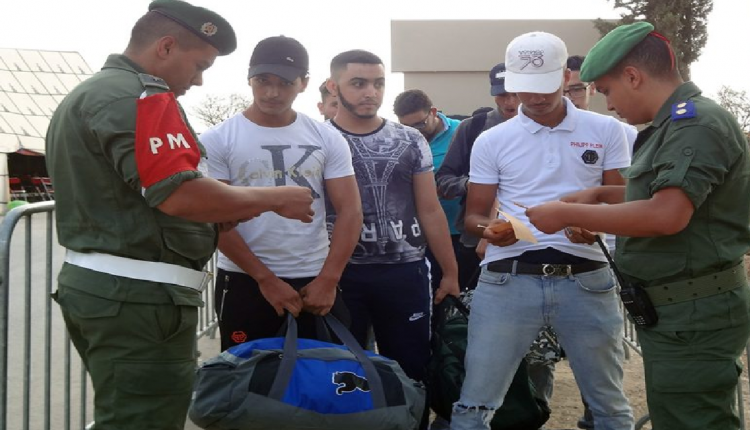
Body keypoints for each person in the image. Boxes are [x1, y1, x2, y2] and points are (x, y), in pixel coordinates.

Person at [44, 2, 315, 429]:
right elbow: (179, 194)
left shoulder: (100, 91)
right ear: (167, 46)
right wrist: (274, 198)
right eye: (199, 65)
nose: (199, 79)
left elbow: (135, 194)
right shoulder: (138, 96)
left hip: (116, 291)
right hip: (138, 298)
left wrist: (213, 214)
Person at [527, 22, 750, 430]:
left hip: (694, 312)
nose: (609, 105)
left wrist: (568, 215)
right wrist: (599, 195)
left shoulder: (695, 124)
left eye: (607, 90)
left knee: (692, 420)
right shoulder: (673, 126)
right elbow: (660, 195)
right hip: (680, 309)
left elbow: (666, 214)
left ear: (633, 76)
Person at [450, 31, 634, 430]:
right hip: (508, 279)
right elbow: (473, 216)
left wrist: (594, 225)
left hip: (587, 278)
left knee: (609, 406)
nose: (534, 97)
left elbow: (621, 201)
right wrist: (491, 229)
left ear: (566, 77)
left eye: (545, 85)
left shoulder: (607, 130)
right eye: (524, 87)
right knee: (475, 404)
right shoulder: (491, 139)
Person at [200, 36, 362, 350]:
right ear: (249, 78)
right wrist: (265, 279)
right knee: (246, 373)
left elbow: (351, 211)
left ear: (304, 83)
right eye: (263, 80)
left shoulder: (327, 137)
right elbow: (214, 216)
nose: (272, 92)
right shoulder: (218, 138)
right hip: (244, 279)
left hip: (314, 278)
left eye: (285, 82)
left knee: (323, 373)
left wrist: (329, 279)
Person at [325, 49, 460, 389]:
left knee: (411, 370)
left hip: (404, 271)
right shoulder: (318, 139)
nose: (370, 92)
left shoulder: (409, 139)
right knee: (343, 373)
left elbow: (430, 209)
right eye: (358, 83)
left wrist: (450, 272)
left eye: (378, 83)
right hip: (340, 274)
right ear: (333, 86)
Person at [566, 53, 638, 430]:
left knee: (596, 351)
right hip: (539, 257)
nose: (570, 97)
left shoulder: (622, 133)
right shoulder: (527, 133)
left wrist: (592, 211)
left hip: (601, 258)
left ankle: (595, 416)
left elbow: (635, 197)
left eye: (578, 88)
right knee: (539, 357)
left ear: (591, 89)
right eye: (564, 90)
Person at [435, 62, 520, 286]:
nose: (510, 102)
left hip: (527, 240)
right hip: (475, 239)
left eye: (515, 94)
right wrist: (470, 185)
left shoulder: (543, 130)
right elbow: (443, 179)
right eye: (502, 95)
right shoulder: (472, 128)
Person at [393, 89, 463, 295]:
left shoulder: (462, 131)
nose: (415, 132)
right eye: (407, 126)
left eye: (420, 124)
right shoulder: (399, 138)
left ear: (433, 112)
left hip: (459, 231)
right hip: (422, 235)